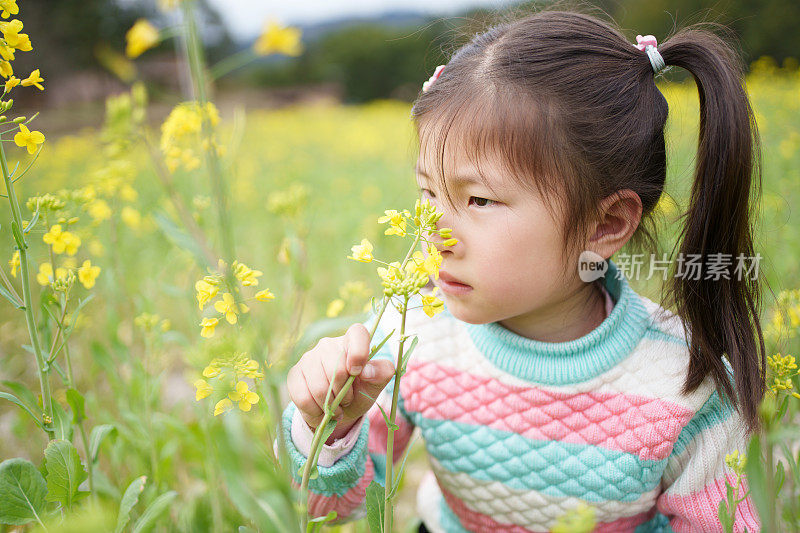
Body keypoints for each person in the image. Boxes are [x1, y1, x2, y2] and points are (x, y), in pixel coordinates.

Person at [276, 7, 767, 532]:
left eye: (481, 200)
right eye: (427, 193)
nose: (434, 233)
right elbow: (327, 510)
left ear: (605, 224)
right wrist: (327, 426)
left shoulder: (684, 385)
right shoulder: (411, 332)